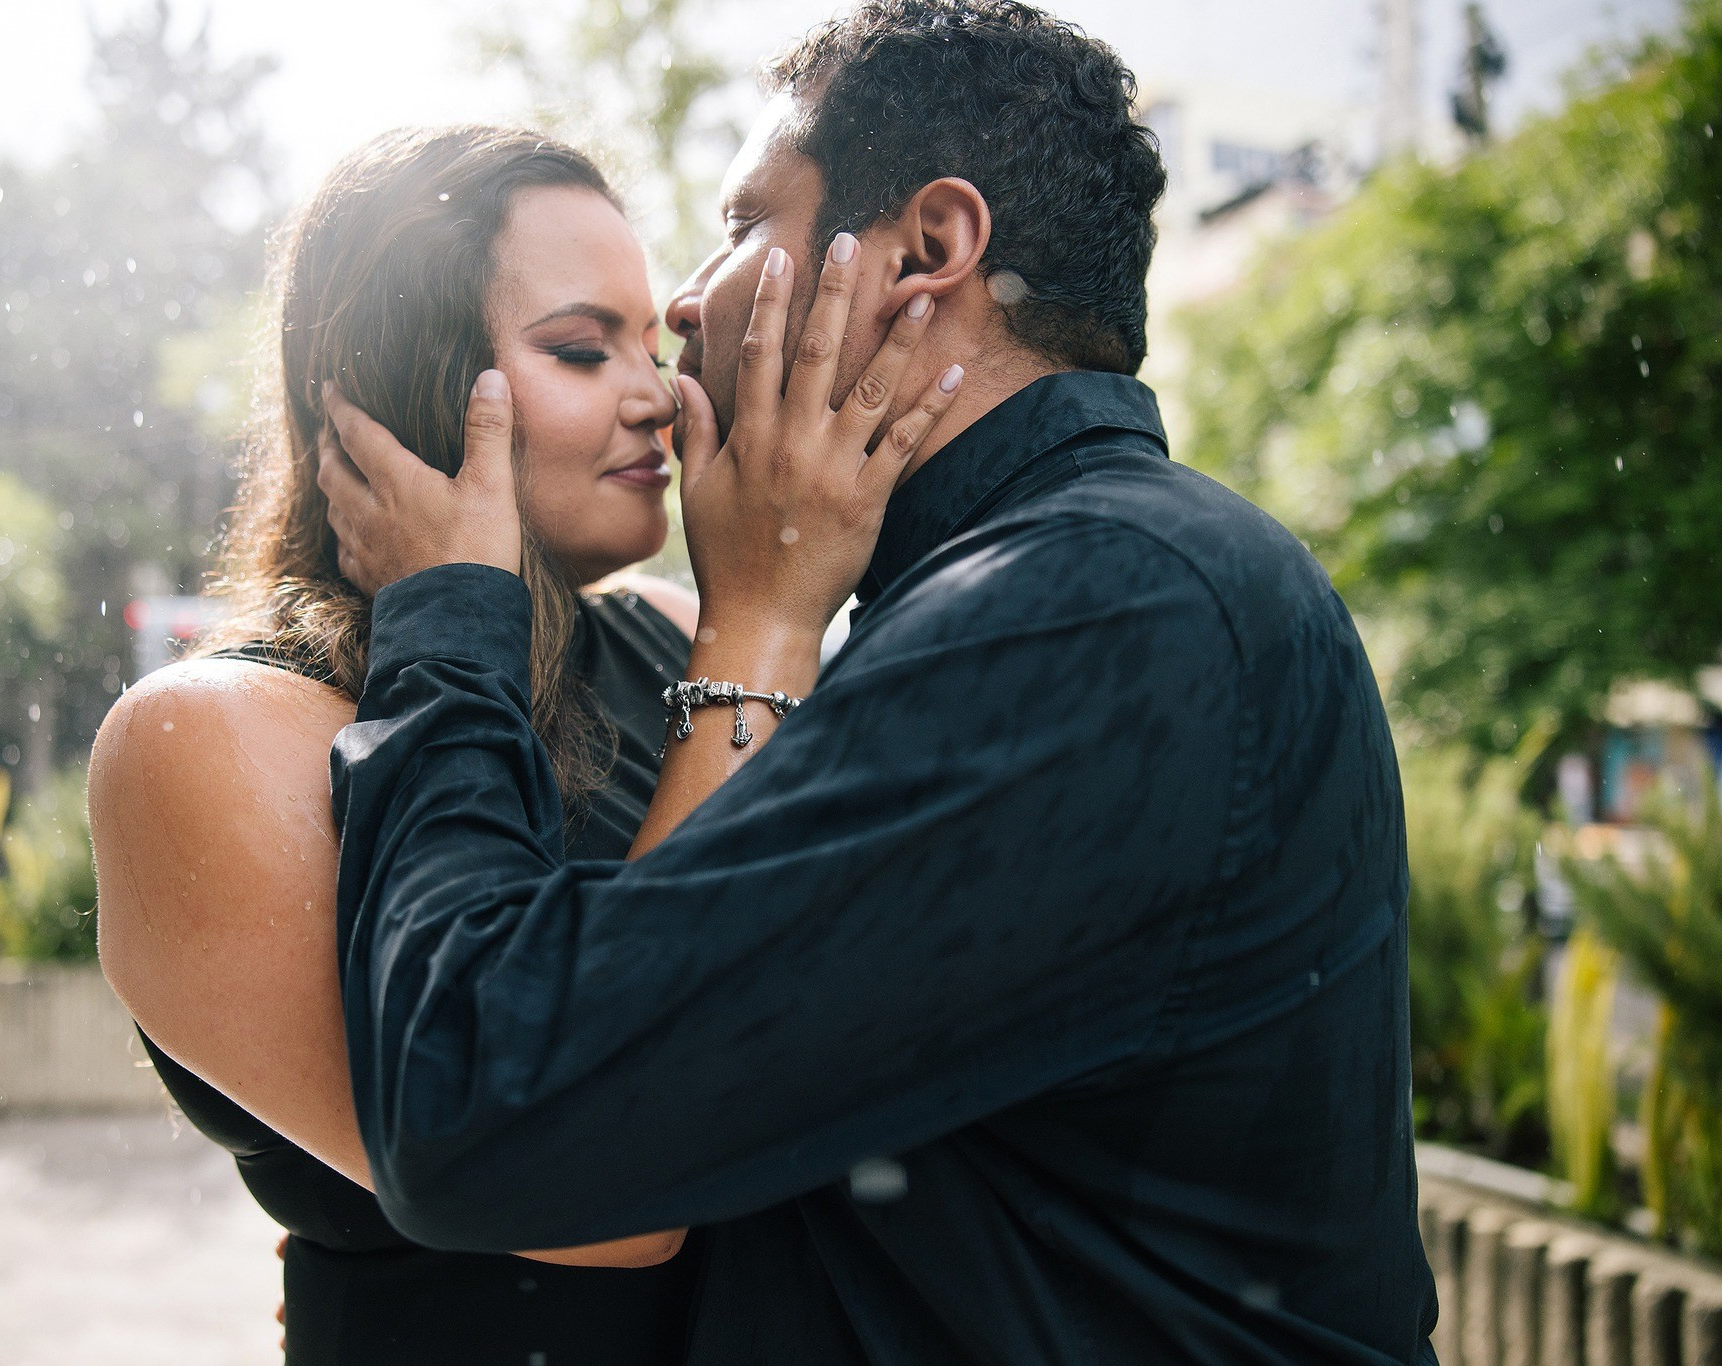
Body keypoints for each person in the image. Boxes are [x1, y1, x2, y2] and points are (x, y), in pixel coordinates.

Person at [311, 3, 1442, 1364]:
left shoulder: (1091, 616)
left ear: (925, 251)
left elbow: (484, 1111)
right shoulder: (1064, 592)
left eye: (743, 223)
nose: (686, 301)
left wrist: (445, 620)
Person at [89, 121, 962, 1362]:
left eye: (650, 348)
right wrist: (765, 620)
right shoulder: (208, 739)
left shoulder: (677, 637)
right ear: (406, 385)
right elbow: (601, 1192)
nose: (659, 392)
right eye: (577, 348)